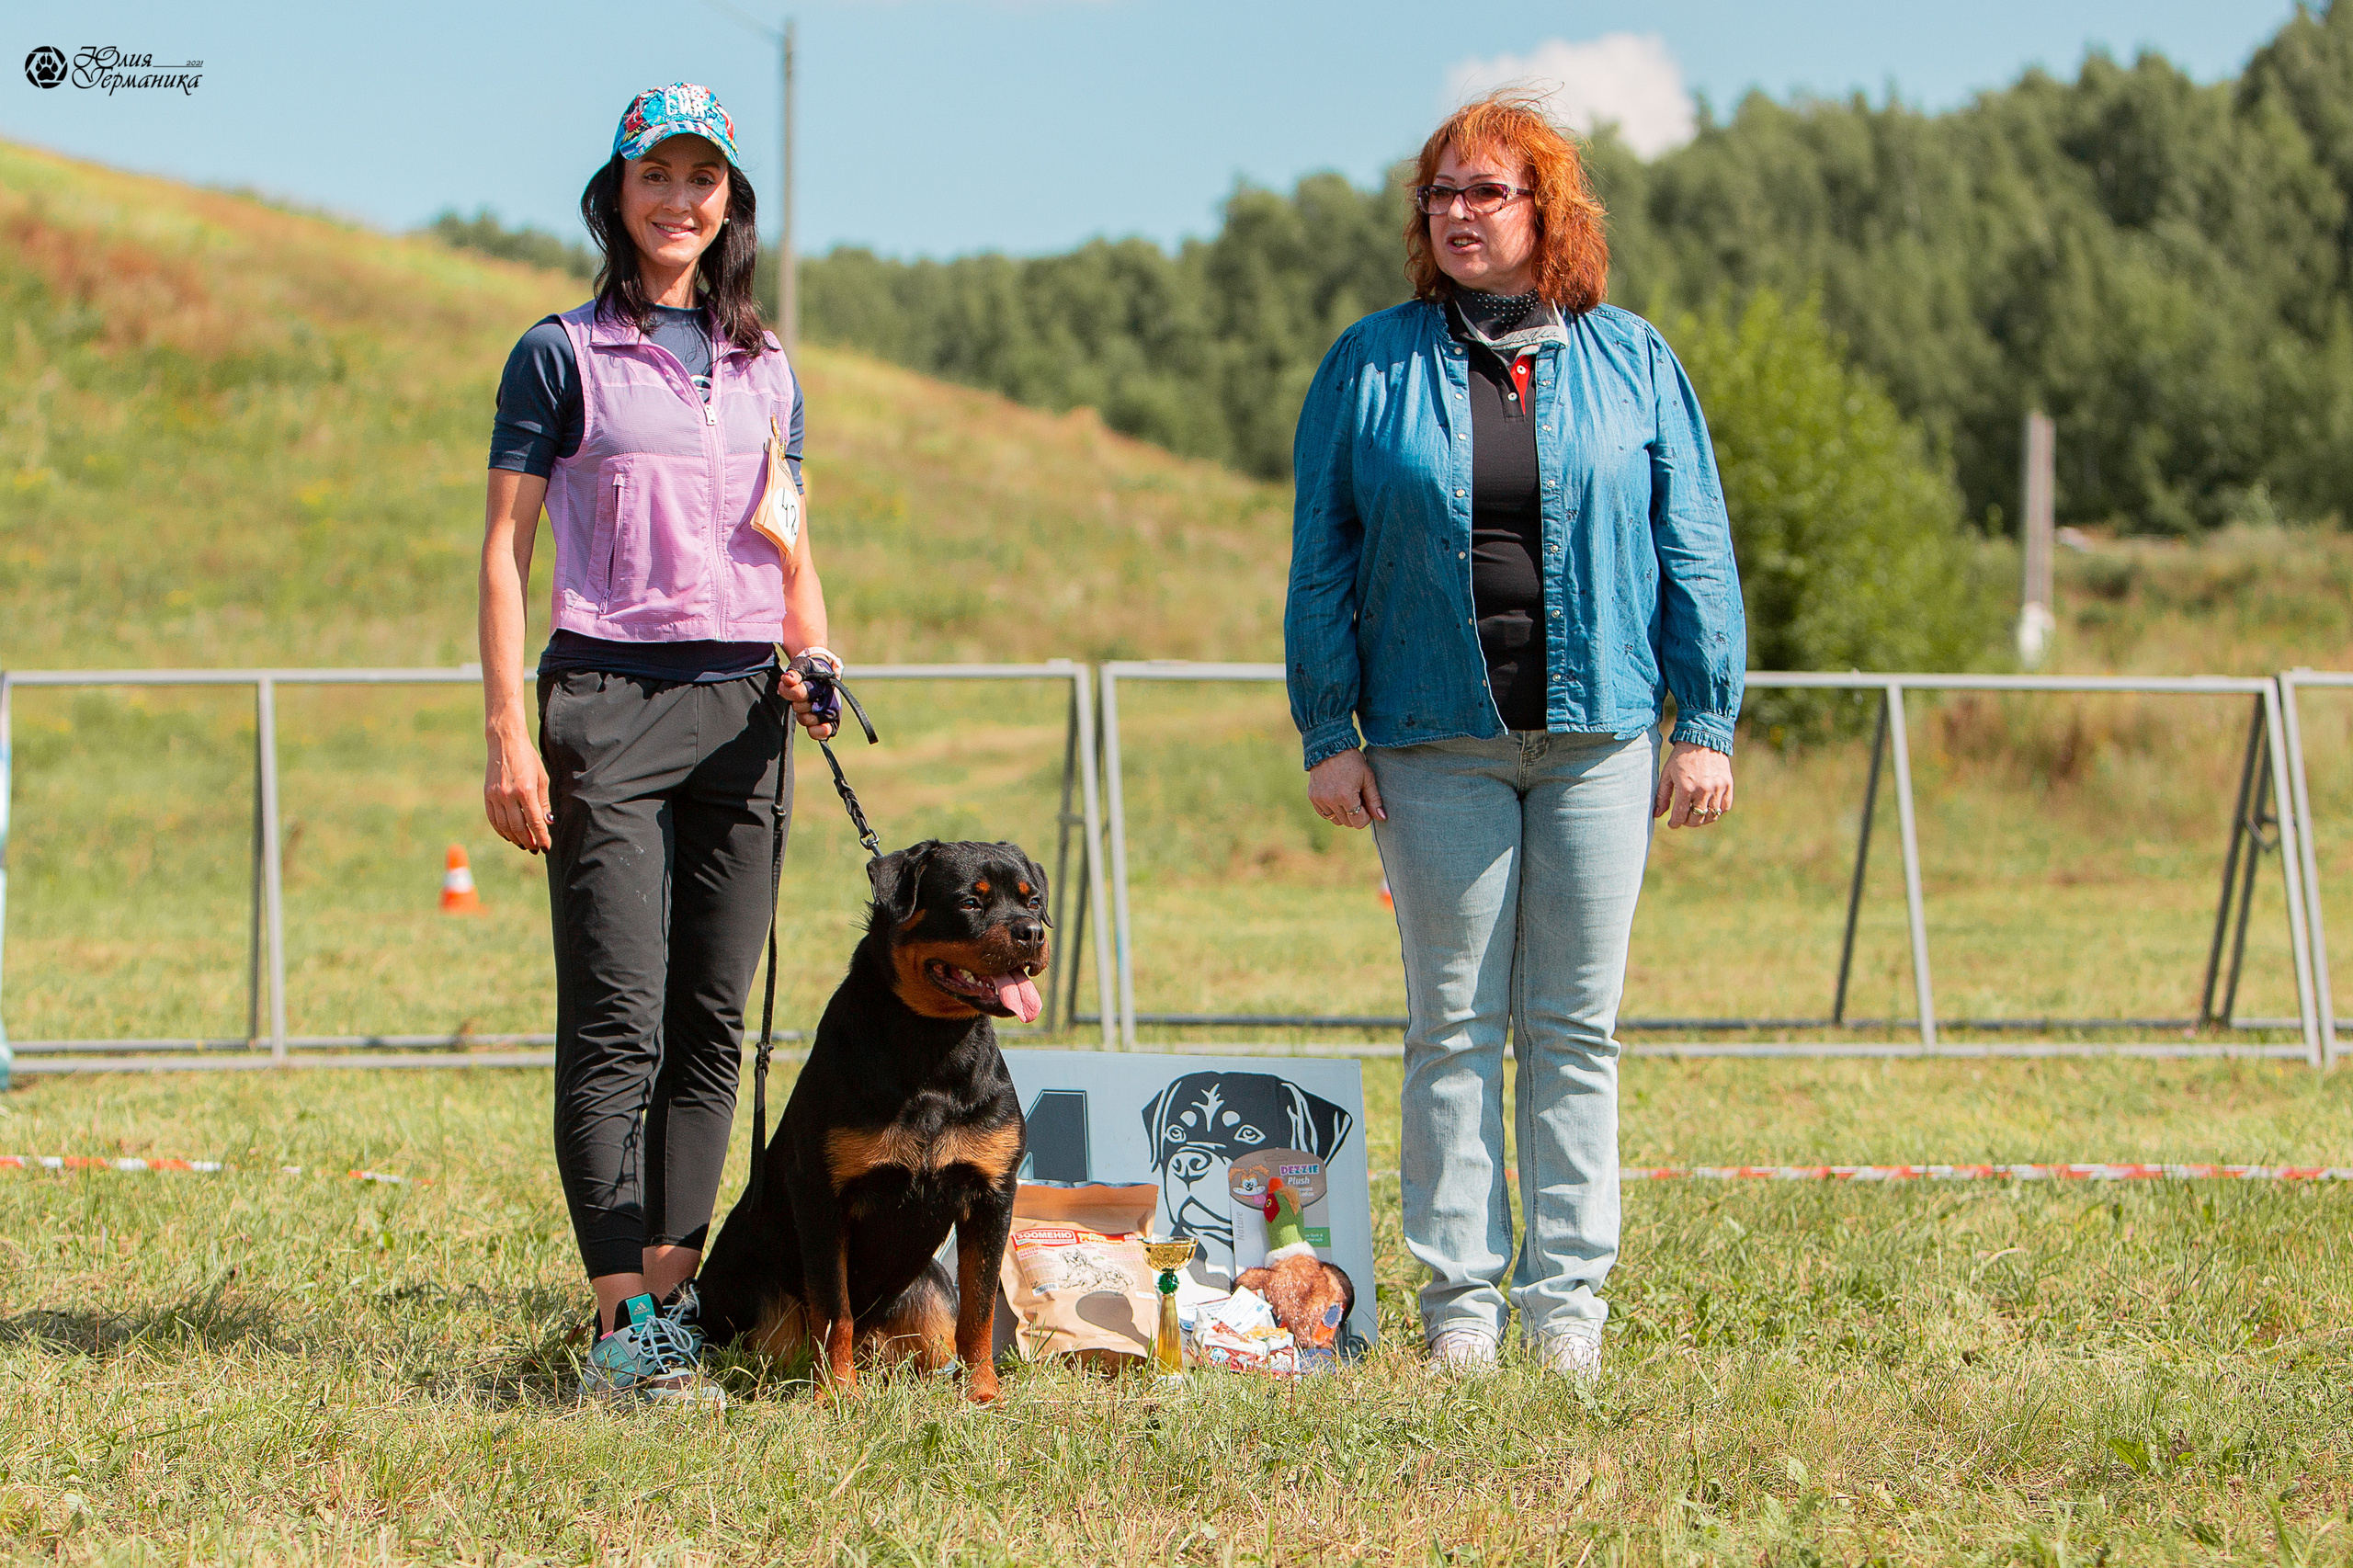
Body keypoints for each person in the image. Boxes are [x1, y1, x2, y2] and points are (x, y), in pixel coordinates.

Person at [1284, 93, 1746, 1380]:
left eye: (1487, 192)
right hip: (1434, 741)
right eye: (1441, 194)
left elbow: (1693, 546)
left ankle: (1566, 1315)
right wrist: (1332, 725)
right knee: (1449, 1028)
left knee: (1572, 1030)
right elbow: (1322, 555)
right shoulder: (1367, 363)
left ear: (1548, 211)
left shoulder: (1635, 360)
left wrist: (1703, 721)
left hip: (1602, 738)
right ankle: (1464, 1317)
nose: (1459, 214)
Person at [477, 83, 837, 1404]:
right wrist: (513, 731)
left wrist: (817, 654)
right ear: (615, 195)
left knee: (712, 1018)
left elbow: (785, 533)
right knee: (617, 1019)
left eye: (703, 177)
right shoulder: (560, 352)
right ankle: (617, 1312)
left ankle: (672, 1303)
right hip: (605, 706)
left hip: (747, 710)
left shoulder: (769, 364)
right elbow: (507, 552)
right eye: (655, 176)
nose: (679, 199)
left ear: (729, 200)